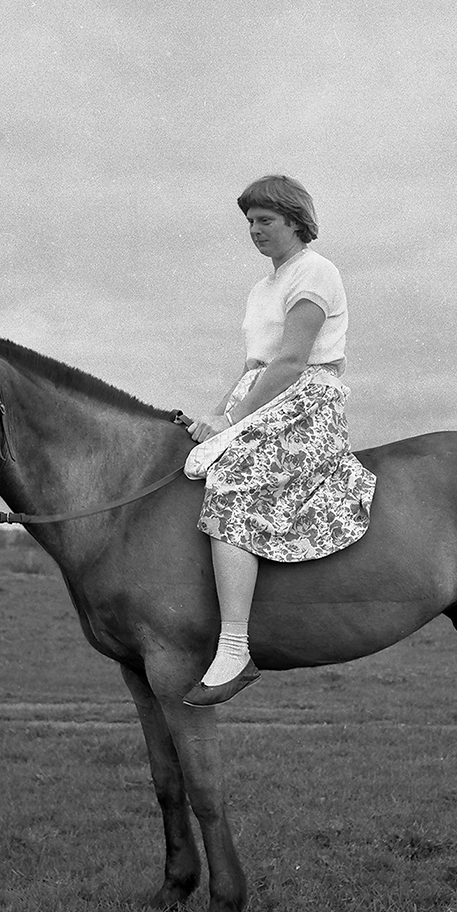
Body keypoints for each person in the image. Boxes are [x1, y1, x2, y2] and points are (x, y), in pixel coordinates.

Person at [182, 175, 376, 707]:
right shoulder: (260, 289)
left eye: (265, 221)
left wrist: (235, 421)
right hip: (264, 394)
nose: (254, 231)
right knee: (194, 463)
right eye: (249, 222)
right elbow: (253, 367)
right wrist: (216, 415)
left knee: (234, 482)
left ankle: (235, 647)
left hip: (306, 398)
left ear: (295, 220)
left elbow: (291, 360)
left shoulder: (317, 271)